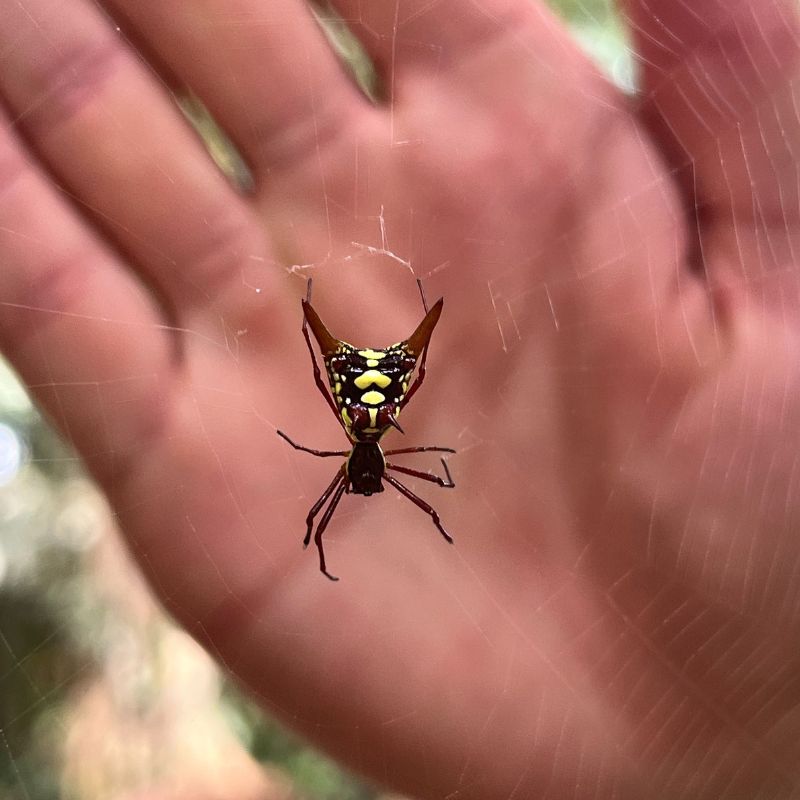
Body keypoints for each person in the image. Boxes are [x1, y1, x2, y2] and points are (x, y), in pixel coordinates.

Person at [1, 0, 798, 797]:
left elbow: (358, 466)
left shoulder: (360, 444)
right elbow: (381, 477)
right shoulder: (377, 449)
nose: (365, 479)